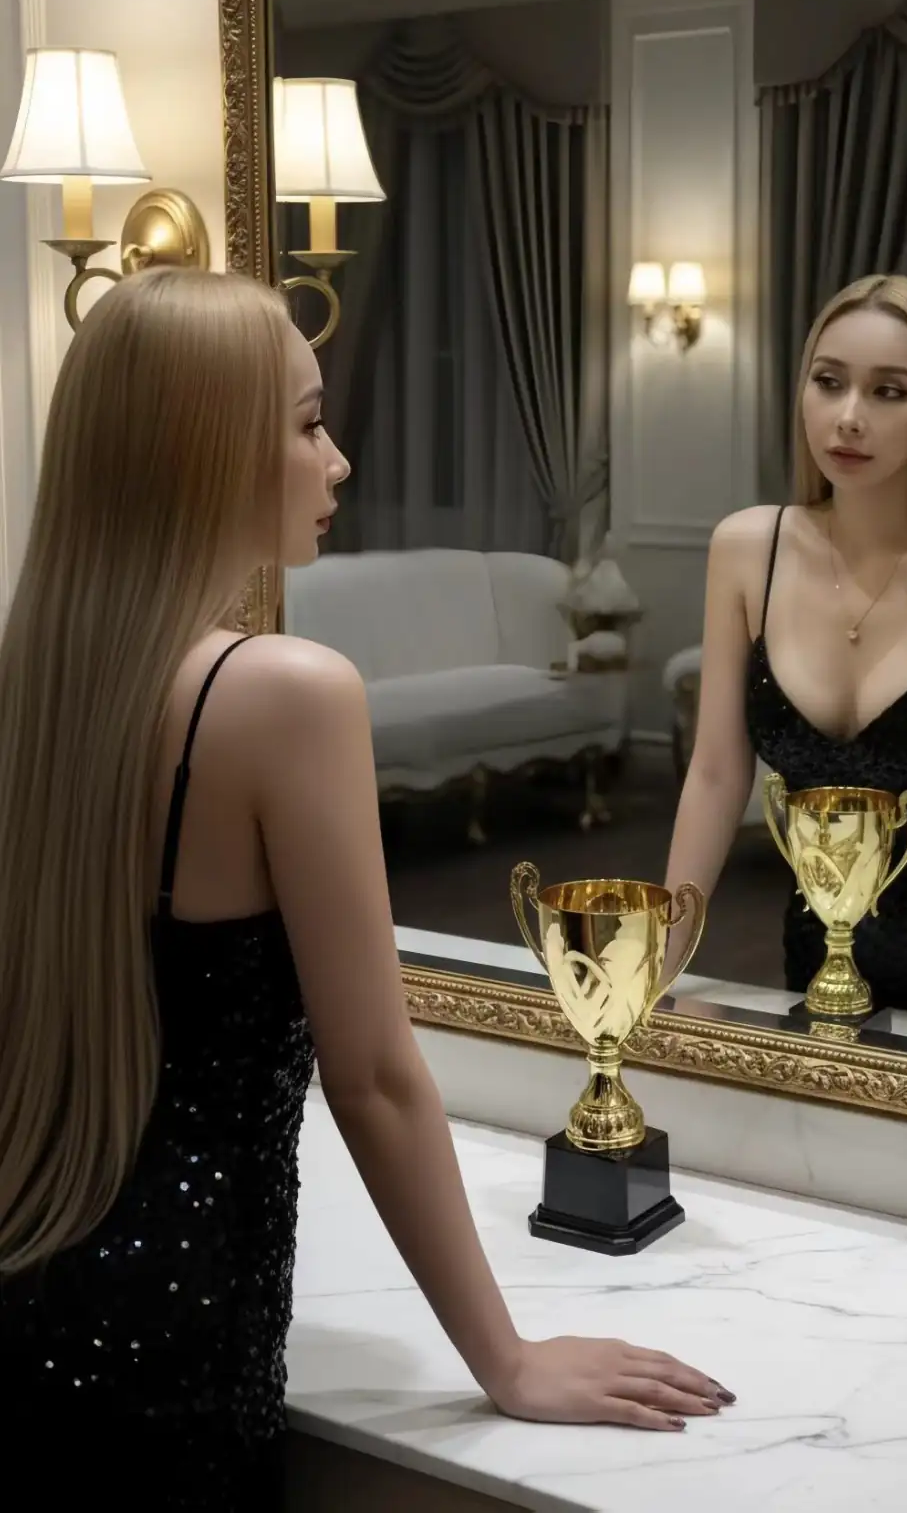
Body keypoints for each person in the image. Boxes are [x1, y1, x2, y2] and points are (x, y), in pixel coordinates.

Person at [0, 269, 734, 1508]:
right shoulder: (283, 694)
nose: (336, 460)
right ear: (200, 454)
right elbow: (376, 1076)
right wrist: (506, 1358)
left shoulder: (36, 684)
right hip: (172, 1350)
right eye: (305, 424)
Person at [665, 274, 907, 1020]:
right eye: (829, 382)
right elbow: (716, 773)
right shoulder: (748, 549)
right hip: (813, 965)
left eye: (889, 392)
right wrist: (659, 964)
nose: (848, 418)